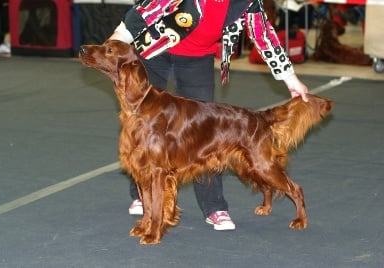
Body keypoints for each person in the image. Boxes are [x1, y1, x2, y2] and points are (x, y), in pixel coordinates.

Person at [109, 0, 309, 231]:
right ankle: (143, 196)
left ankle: (213, 206)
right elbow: (144, 11)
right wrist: (113, 44)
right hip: (156, 51)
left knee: (208, 136)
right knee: (144, 128)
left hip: (197, 58)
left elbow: (263, 33)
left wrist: (290, 79)